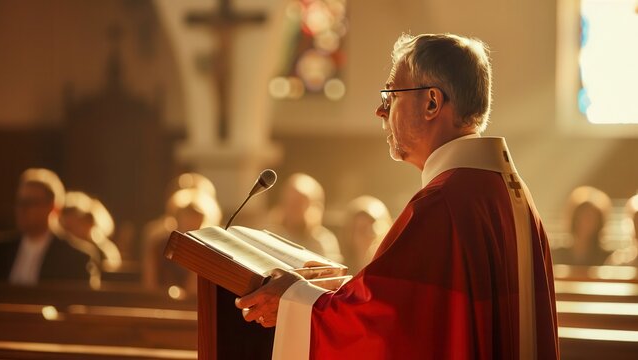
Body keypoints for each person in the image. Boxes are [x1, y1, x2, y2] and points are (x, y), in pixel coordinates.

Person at [235, 33, 559, 359]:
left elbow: (381, 324)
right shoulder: (508, 194)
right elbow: (423, 312)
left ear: (432, 102)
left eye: (390, 95)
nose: (380, 110)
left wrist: (293, 300)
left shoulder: (442, 205)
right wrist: (336, 288)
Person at [0, 168, 92, 285]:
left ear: (53, 207)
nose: (22, 209)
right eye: (20, 202)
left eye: (31, 202)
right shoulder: (0, 251)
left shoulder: (74, 258)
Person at [266, 173, 343, 263]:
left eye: (299, 203)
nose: (294, 208)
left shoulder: (323, 242)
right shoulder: (269, 236)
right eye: (290, 202)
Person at [552, 186, 612, 266]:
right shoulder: (556, 255)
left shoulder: (607, 259)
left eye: (592, 218)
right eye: (583, 216)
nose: (586, 222)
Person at [338, 195, 392, 275]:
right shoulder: (338, 273)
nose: (369, 237)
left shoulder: (395, 272)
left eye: (375, 230)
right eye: (361, 230)